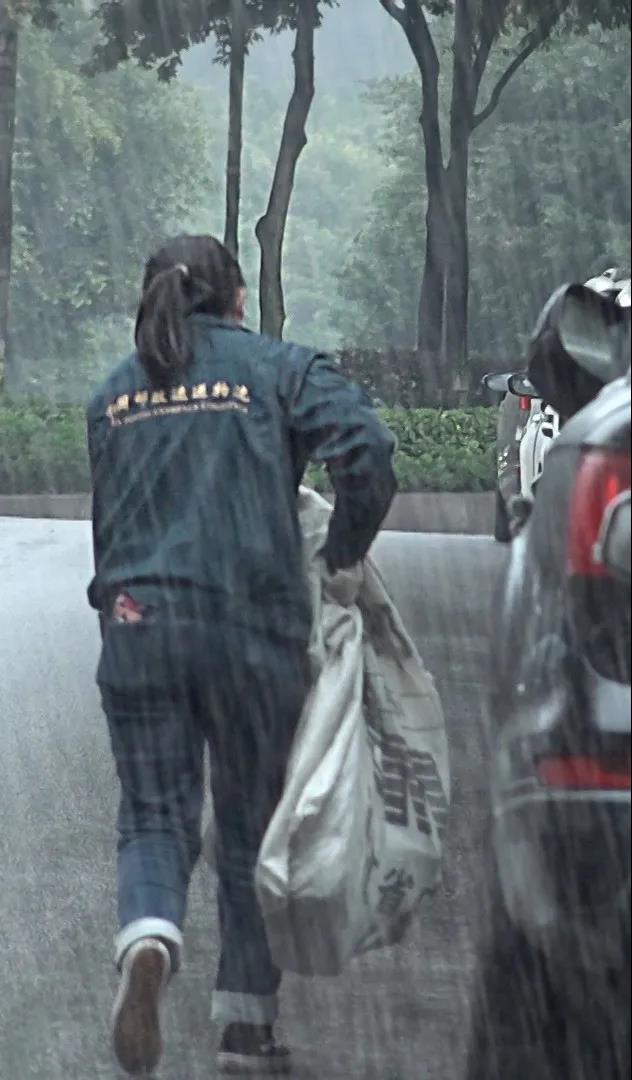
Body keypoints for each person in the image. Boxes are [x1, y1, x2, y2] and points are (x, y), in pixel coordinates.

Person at [86, 234, 397, 1076]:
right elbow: (366, 450)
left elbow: (110, 529)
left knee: (153, 814)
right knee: (250, 823)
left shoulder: (112, 395)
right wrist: (342, 551)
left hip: (138, 625)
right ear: (236, 300)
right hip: (250, 629)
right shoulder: (278, 369)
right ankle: (246, 1029)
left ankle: (149, 938)